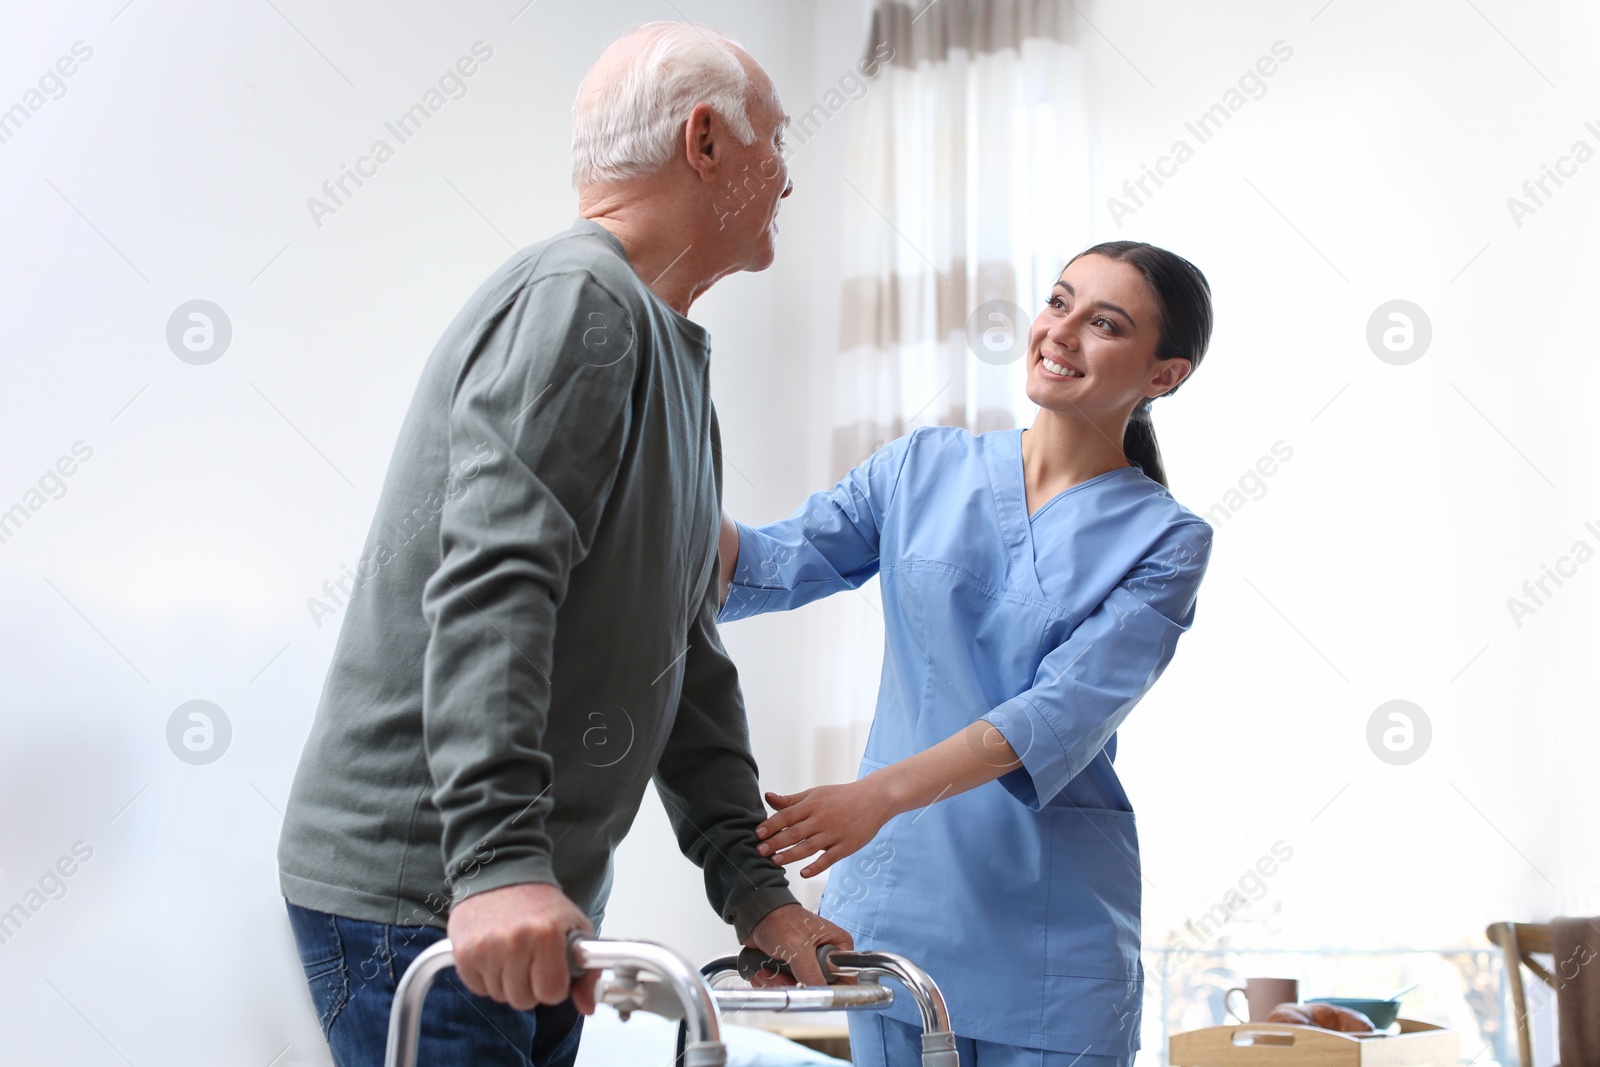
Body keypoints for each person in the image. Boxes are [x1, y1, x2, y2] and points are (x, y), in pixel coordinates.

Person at [276, 22, 850, 1067]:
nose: (788, 180)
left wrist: (752, 887)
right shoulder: (580, 299)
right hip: (427, 890)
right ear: (706, 140)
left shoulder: (669, 353)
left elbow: (688, 651)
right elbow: (497, 579)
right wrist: (496, 860)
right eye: (778, 143)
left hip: (527, 896)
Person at [716, 242, 1216, 1066]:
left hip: (1053, 949)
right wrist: (654, 485)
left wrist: (875, 794)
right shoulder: (921, 468)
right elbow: (769, 562)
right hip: (900, 919)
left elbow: (1056, 713)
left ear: (1164, 375)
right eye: (1058, 303)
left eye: (1105, 323)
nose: (1060, 333)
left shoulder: (1166, 540)